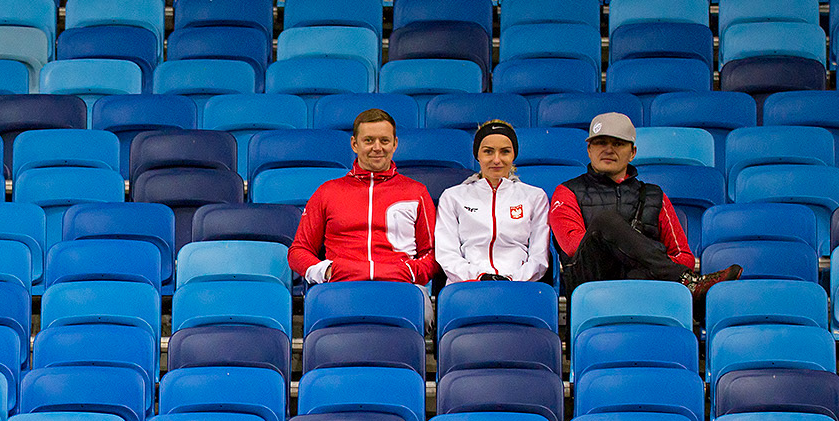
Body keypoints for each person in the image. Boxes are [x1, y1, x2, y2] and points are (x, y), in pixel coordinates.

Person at [550, 112, 740, 295]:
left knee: (637, 273)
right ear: (589, 150)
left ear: (632, 153)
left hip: (645, 283)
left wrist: (640, 265)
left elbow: (683, 255)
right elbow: (573, 246)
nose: (608, 149)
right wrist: (645, 255)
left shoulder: (654, 195)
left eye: (618, 143)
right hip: (591, 283)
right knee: (605, 222)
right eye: (600, 143)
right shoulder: (567, 192)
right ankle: (686, 282)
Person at [289, 109, 439, 301]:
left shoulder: (417, 192)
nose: (377, 147)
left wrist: (409, 272)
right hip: (340, 289)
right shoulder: (327, 192)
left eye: (384, 141)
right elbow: (298, 251)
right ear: (354, 144)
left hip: (402, 289)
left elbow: (433, 253)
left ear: (395, 144)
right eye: (368, 140)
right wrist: (327, 271)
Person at [434, 119, 551, 284]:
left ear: (514, 155)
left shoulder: (534, 197)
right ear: (477, 155)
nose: (496, 160)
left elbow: (539, 256)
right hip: (467, 286)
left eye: (504, 152)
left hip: (520, 286)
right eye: (488, 152)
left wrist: (512, 279)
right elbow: (447, 253)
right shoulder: (453, 196)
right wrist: (479, 277)